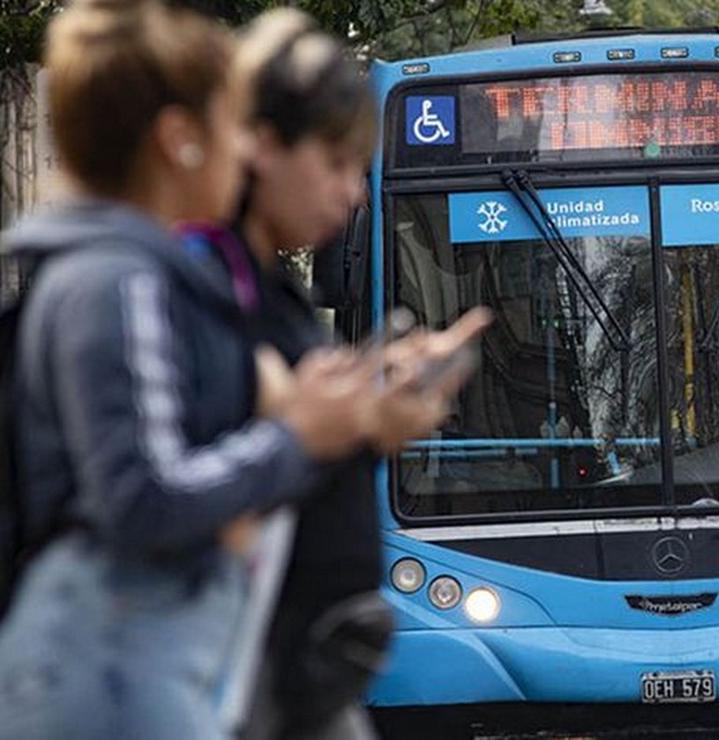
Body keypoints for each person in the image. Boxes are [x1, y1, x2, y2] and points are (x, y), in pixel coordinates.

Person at [0, 2, 447, 738]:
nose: (246, 153)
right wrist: (301, 435)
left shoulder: (142, 274)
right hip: (120, 674)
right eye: (234, 126)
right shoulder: (120, 281)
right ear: (181, 142)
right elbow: (145, 495)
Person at [179, 10, 491, 738]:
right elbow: (180, 490)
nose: (353, 194)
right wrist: (337, 426)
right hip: (225, 682)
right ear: (262, 145)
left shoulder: (269, 287)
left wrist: (370, 420)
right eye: (337, 164)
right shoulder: (191, 287)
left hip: (297, 678)